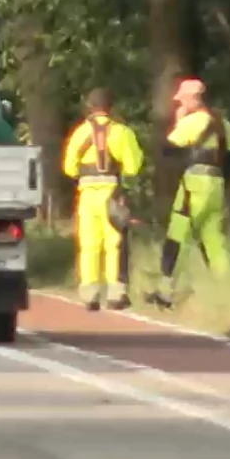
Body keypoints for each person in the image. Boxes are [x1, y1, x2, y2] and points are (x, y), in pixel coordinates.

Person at [148, 78, 230, 308]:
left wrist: (178, 122)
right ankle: (226, 293)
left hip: (194, 184)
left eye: (182, 99)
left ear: (193, 98)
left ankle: (166, 293)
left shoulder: (192, 121)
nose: (179, 103)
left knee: (178, 237)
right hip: (217, 185)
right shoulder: (224, 123)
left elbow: (167, 149)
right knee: (213, 240)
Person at [60, 88, 143, 310]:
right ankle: (116, 294)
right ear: (111, 107)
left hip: (87, 195)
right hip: (112, 193)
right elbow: (133, 167)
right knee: (114, 244)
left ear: (89, 107)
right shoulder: (121, 132)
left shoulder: (79, 133)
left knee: (89, 244)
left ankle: (90, 294)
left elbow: (69, 168)